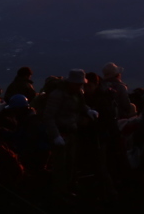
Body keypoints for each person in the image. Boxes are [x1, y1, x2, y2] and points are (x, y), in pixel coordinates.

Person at [44, 69, 99, 202]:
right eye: (78, 84)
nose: (81, 87)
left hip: (71, 133)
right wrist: (55, 136)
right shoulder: (57, 95)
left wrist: (88, 111)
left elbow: (81, 106)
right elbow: (48, 117)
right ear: (71, 83)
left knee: (71, 164)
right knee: (60, 166)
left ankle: (68, 190)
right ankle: (59, 194)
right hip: (61, 133)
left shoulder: (77, 93)